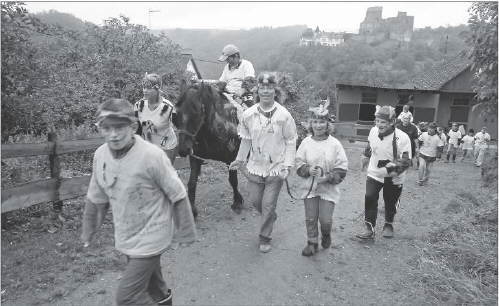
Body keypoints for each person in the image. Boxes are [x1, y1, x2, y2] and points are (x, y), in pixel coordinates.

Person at [81, 98, 197, 306]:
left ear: (133, 126)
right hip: (126, 233)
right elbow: (96, 197)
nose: (113, 134)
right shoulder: (100, 156)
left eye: (120, 127)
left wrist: (185, 230)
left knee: (126, 298)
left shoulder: (152, 156)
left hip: (152, 235)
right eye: (107, 128)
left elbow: (177, 194)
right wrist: (89, 228)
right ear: (99, 128)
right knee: (155, 286)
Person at [229, 73, 297, 253]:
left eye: (270, 88)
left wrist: (288, 166)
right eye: (262, 87)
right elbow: (246, 140)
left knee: (267, 205)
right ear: (257, 90)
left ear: (275, 90)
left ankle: (265, 237)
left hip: (276, 169)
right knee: (256, 201)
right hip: (255, 167)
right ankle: (270, 216)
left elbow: (291, 140)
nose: (266, 91)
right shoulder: (248, 114)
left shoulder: (284, 115)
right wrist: (239, 159)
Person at [295, 102, 348, 256]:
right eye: (315, 122)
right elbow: (298, 162)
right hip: (309, 188)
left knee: (325, 220)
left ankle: (326, 234)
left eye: (322, 122)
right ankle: (312, 243)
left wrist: (328, 177)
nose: (318, 126)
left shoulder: (335, 144)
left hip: (328, 189)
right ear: (311, 124)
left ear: (327, 124)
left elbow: (342, 167)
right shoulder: (305, 143)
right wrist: (307, 169)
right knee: (311, 218)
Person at [356, 105, 412, 240]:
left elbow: (405, 161)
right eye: (377, 121)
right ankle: (369, 228)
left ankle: (388, 223)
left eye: (383, 122)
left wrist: (388, 170)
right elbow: (370, 145)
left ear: (392, 122)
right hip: (374, 171)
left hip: (393, 176)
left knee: (390, 201)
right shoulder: (373, 131)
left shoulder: (403, 138)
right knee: (369, 197)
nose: (379, 125)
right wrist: (365, 156)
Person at [134, 73, 177, 163]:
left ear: (157, 89)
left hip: (166, 147)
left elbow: (180, 126)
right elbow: (138, 129)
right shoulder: (139, 105)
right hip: (148, 146)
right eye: (143, 87)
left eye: (149, 88)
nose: (145, 91)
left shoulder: (168, 107)